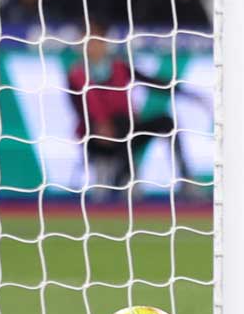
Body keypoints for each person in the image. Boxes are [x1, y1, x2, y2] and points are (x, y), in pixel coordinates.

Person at [66, 25, 190, 195]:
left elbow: (152, 82)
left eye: (98, 41)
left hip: (126, 131)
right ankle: (119, 180)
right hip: (95, 136)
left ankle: (186, 180)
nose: (94, 46)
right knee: (121, 124)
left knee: (166, 122)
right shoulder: (77, 74)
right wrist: (100, 124)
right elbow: (80, 106)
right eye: (89, 42)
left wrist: (186, 92)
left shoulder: (119, 67)